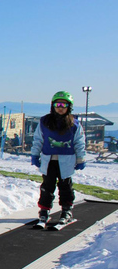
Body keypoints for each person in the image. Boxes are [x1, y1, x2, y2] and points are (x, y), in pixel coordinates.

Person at [30, 91, 86, 224]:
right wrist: (35, 154)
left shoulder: (74, 124)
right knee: (47, 186)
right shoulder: (45, 122)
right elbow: (38, 139)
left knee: (65, 186)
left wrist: (80, 159)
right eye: (57, 104)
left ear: (69, 107)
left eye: (64, 104)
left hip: (66, 160)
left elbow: (79, 142)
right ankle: (44, 210)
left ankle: (66, 210)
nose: (60, 107)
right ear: (52, 106)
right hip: (48, 160)